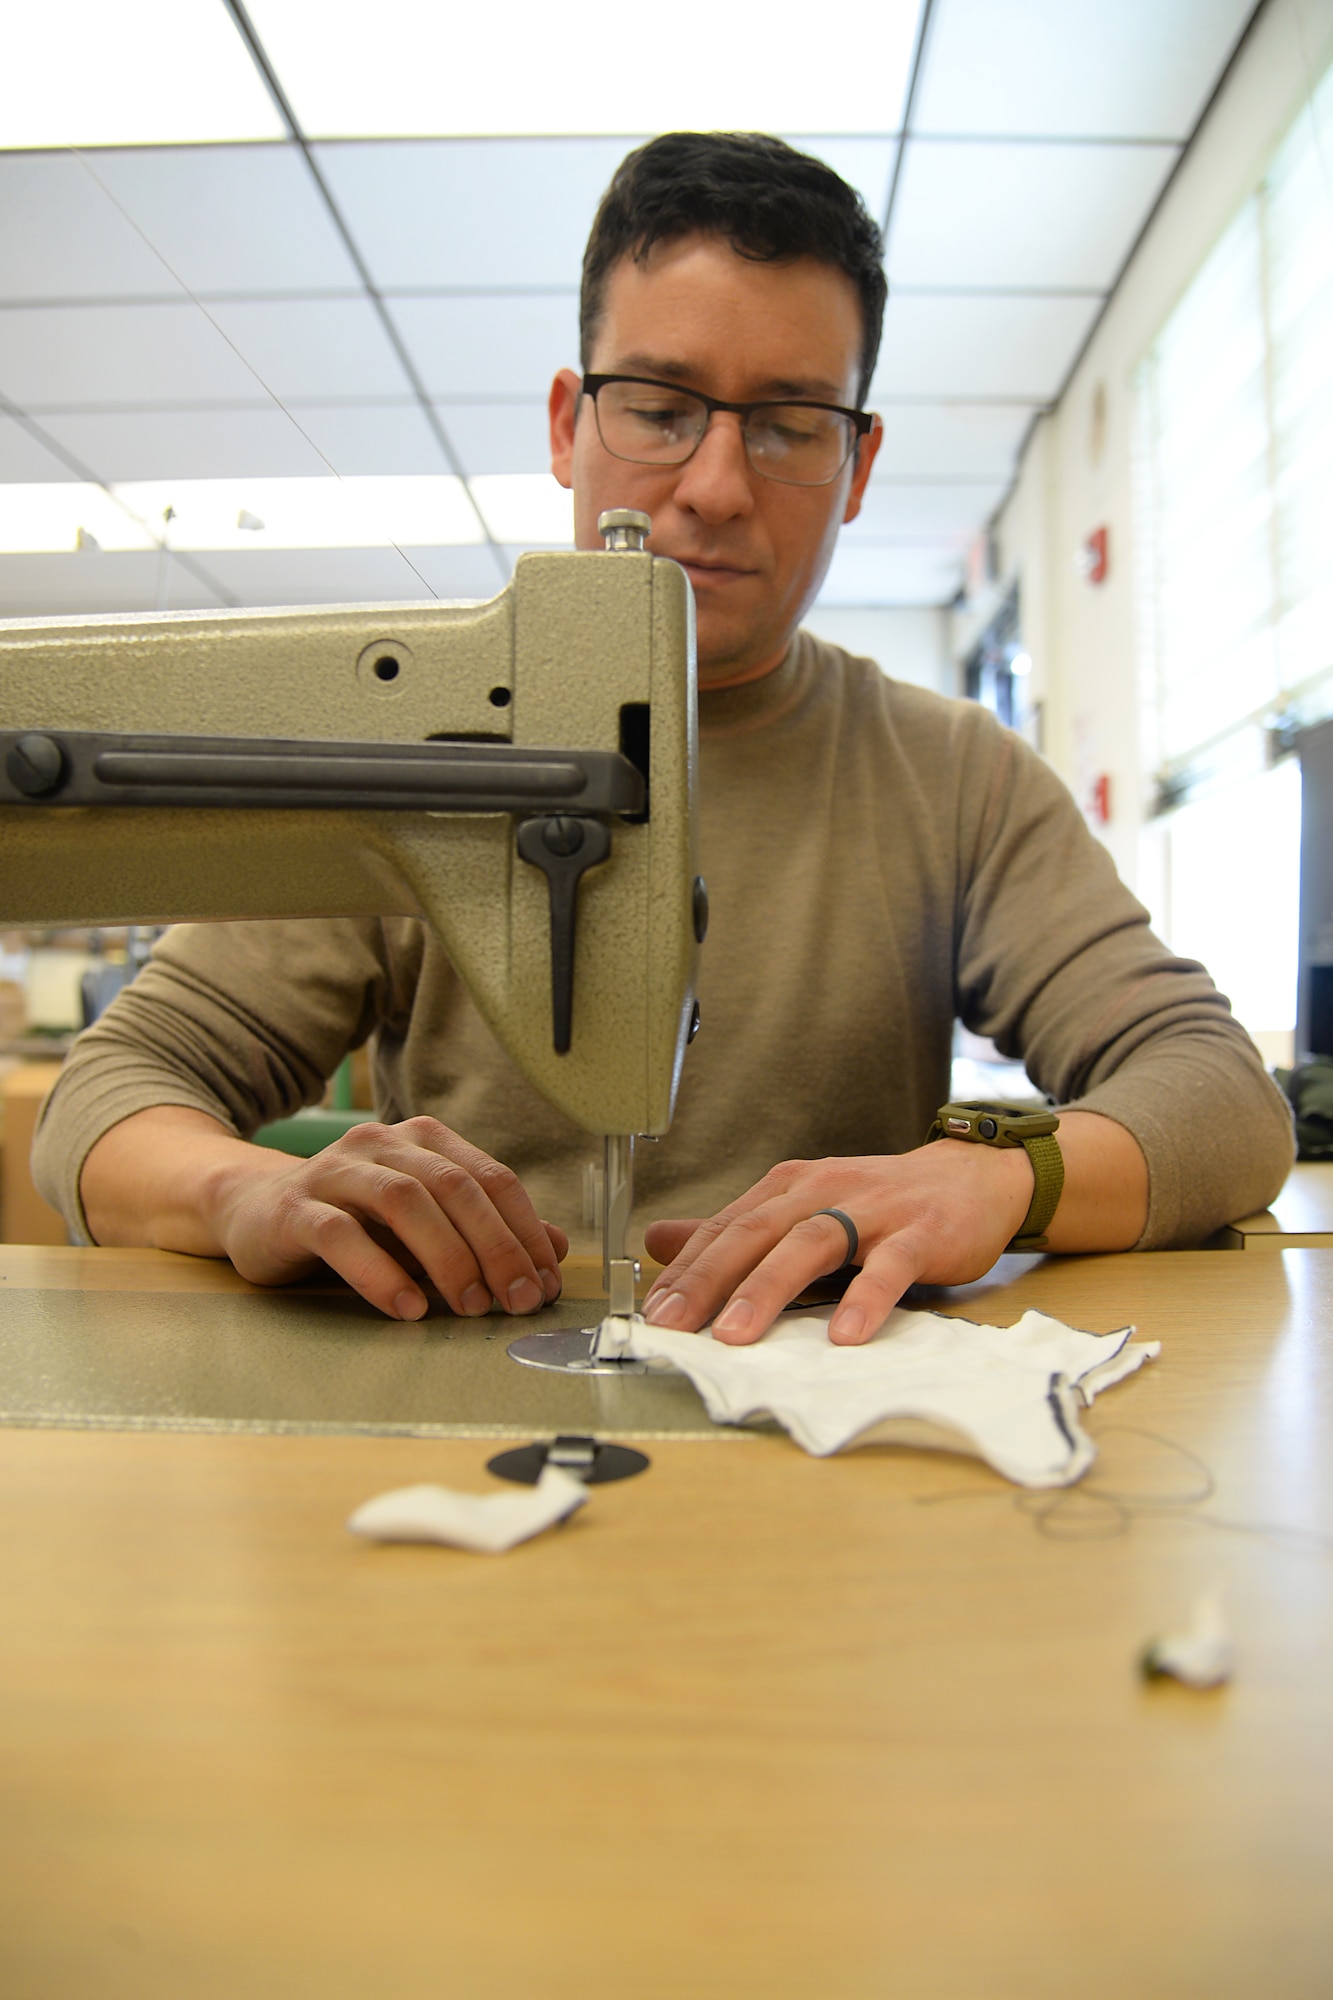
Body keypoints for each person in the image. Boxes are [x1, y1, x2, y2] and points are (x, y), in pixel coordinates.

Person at [32, 133, 1293, 1346]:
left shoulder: (953, 777)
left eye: (792, 421)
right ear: (565, 422)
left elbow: (1221, 1096)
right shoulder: (407, 745)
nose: (715, 484)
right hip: (459, 1370)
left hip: (817, 1419)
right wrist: (242, 1192)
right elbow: (107, 1097)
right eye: (658, 406)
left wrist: (998, 1179)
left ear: (857, 466)